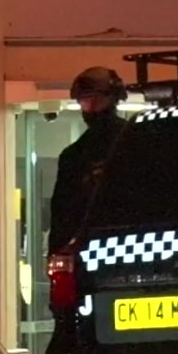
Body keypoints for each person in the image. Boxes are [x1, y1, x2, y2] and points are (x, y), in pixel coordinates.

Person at [47, 66, 129, 255]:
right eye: (84, 101)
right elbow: (62, 215)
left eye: (97, 101)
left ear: (113, 99)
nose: (90, 109)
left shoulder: (136, 143)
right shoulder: (74, 155)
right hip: (87, 251)